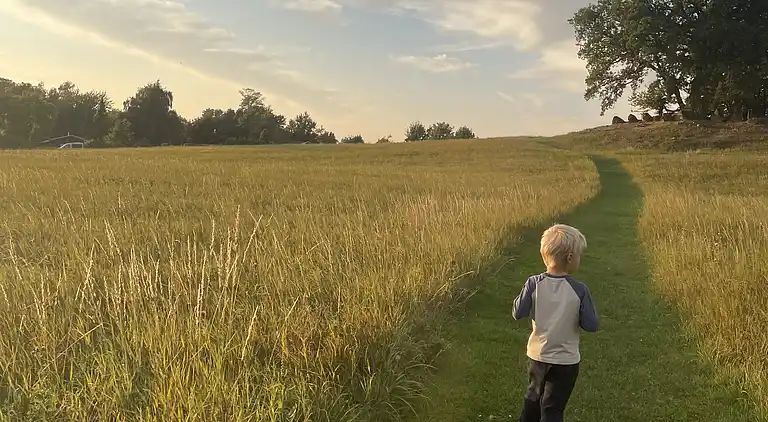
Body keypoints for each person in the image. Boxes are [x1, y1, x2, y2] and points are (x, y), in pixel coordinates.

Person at [512, 224, 599, 422]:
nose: (579, 259)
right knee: (552, 408)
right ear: (569, 258)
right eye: (579, 255)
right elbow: (591, 325)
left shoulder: (533, 283)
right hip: (566, 361)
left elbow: (518, 313)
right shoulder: (580, 290)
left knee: (532, 399)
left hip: (538, 356)